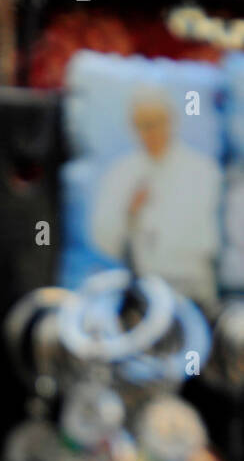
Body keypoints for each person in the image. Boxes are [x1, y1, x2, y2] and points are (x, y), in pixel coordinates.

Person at [91, 88, 221, 315]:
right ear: (133, 128)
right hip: (144, 294)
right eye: (144, 125)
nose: (152, 132)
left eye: (157, 122)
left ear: (172, 121)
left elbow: (211, 241)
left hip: (194, 291)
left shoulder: (203, 171)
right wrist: (128, 213)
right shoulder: (120, 173)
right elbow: (103, 240)